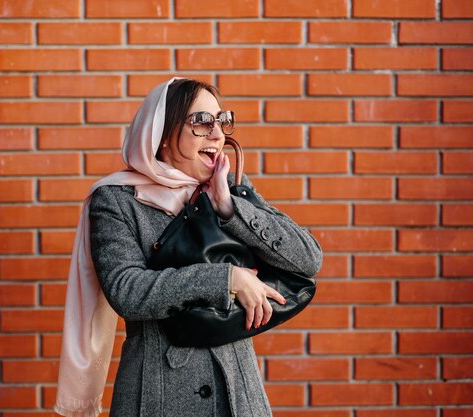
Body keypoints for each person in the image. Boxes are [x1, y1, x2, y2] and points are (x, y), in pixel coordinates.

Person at [55, 78, 322, 417]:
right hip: (156, 395)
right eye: (201, 122)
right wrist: (225, 279)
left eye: (221, 120)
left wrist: (229, 208)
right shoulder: (116, 200)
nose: (217, 134)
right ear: (162, 135)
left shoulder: (232, 186)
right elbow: (127, 292)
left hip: (237, 396)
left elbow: (309, 258)